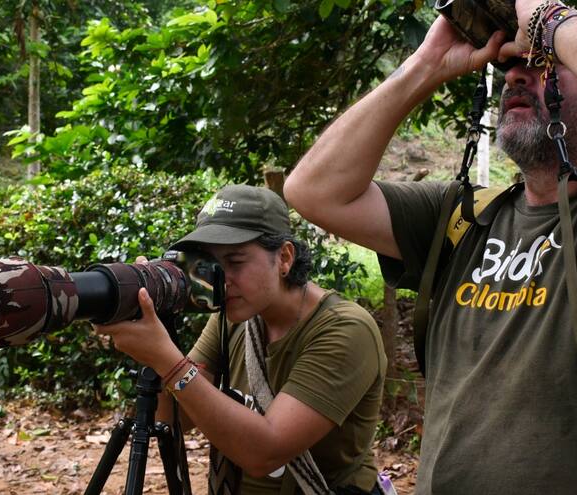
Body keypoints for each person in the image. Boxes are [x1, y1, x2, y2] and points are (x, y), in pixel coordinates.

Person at [283, 0, 577, 493]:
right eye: (511, 66)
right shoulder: (463, 218)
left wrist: (547, 17)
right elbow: (313, 190)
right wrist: (426, 65)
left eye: (543, 63)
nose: (517, 75)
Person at [93, 185, 387, 494]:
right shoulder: (234, 317)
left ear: (284, 257)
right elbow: (171, 417)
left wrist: (169, 361)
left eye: (235, 262)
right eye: (211, 266)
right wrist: (150, 326)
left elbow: (264, 453)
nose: (221, 280)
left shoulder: (345, 329)